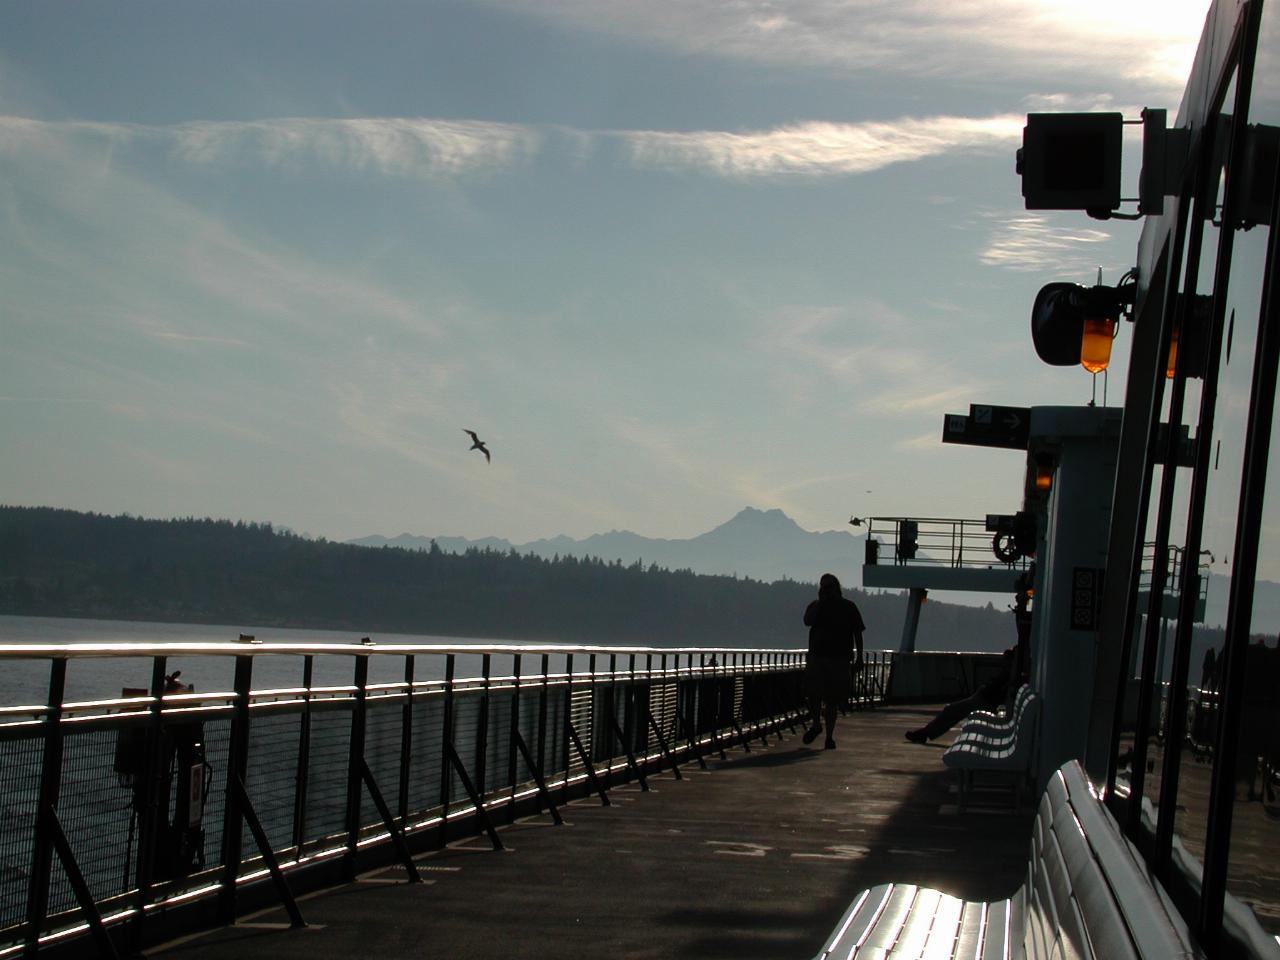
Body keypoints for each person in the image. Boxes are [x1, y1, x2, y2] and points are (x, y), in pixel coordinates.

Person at [802, 573, 866, 750]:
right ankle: (816, 724)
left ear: (837, 588)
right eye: (823, 587)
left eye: (828, 587)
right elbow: (807, 621)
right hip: (817, 657)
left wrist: (859, 656)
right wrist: (820, 603)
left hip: (839, 659)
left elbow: (857, 633)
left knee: (832, 700)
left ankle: (829, 736)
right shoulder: (816, 606)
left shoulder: (849, 607)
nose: (826, 591)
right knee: (813, 695)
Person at [904, 647, 1015, 743]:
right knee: (951, 711)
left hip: (983, 701)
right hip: (982, 698)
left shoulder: (1009, 675)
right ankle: (925, 733)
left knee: (951, 711)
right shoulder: (1009, 674)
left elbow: (999, 693)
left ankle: (924, 733)